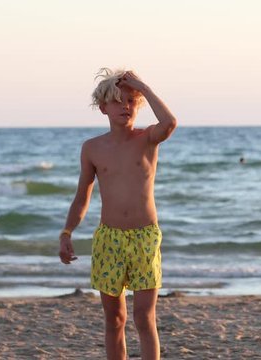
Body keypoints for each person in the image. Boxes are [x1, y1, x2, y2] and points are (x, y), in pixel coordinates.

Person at [59, 68, 177, 360]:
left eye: (131, 101)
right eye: (118, 101)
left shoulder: (148, 138)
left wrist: (143, 88)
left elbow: (170, 122)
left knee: (143, 317)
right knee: (114, 319)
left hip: (145, 237)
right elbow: (82, 195)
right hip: (109, 239)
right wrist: (67, 232)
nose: (126, 106)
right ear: (103, 108)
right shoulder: (92, 148)